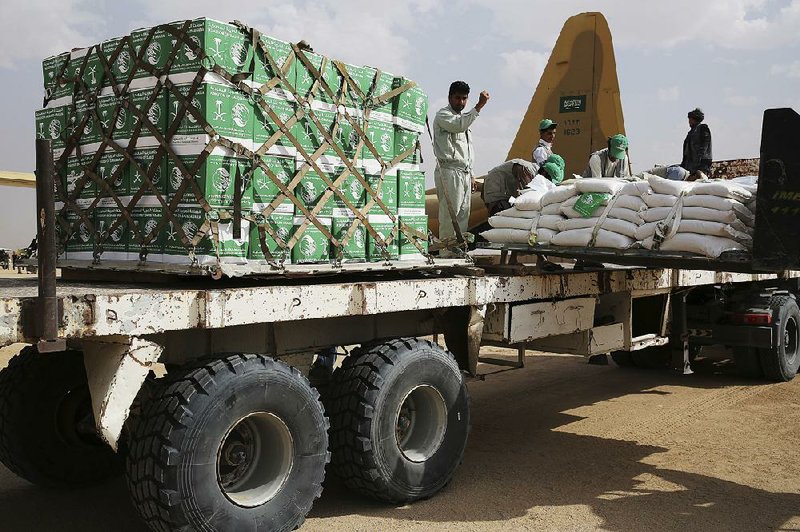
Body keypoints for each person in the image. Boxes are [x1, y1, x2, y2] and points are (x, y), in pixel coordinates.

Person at [433, 81, 490, 256]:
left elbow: (467, 152)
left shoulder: (463, 120)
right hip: (449, 171)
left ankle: (456, 251)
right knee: (451, 214)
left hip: (463, 173)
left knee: (463, 214)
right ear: (450, 97)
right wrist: (479, 106)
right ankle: (446, 254)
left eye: (464, 98)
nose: (461, 102)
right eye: (457, 98)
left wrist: (471, 174)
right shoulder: (444, 115)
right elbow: (459, 125)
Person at [681, 107, 712, 180]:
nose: (689, 121)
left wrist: (698, 162)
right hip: (690, 165)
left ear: (695, 119)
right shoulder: (690, 133)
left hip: (701, 164)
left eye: (690, 119)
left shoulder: (703, 128)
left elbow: (704, 146)